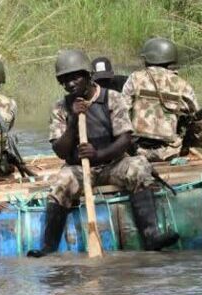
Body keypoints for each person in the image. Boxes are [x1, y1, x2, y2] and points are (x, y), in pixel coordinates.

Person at [26, 49, 179, 258]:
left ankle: (151, 236)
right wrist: (72, 122)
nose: (70, 84)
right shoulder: (61, 107)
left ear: (88, 75)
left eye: (75, 78)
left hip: (113, 164)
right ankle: (48, 246)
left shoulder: (112, 99)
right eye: (65, 81)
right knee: (61, 182)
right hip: (79, 169)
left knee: (139, 166)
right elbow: (60, 150)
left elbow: (125, 139)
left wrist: (97, 155)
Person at [122, 37, 202, 161]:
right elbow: (199, 119)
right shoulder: (182, 84)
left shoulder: (135, 79)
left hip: (137, 151)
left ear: (147, 59)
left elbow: (122, 112)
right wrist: (189, 144)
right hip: (170, 153)